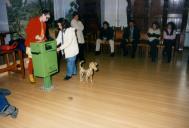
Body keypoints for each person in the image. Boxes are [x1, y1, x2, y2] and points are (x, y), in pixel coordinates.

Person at [25, 9, 50, 83]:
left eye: (48, 18)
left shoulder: (44, 24)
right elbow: (28, 31)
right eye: (47, 17)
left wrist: (44, 39)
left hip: (39, 44)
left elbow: (43, 34)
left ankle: (39, 72)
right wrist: (36, 36)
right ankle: (30, 75)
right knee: (31, 60)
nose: (47, 20)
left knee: (40, 59)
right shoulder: (33, 21)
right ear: (43, 15)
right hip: (31, 44)